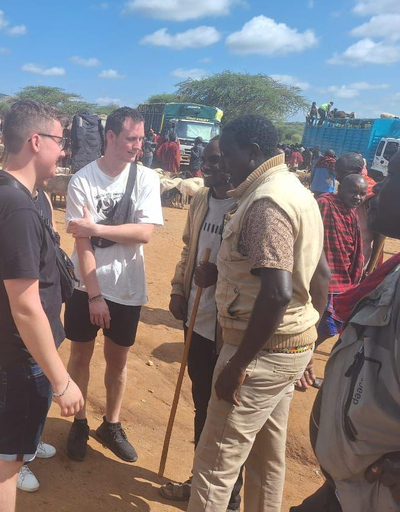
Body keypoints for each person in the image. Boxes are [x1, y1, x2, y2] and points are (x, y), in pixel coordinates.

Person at [187, 114, 328, 512]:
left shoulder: (266, 202)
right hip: (288, 347)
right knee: (267, 458)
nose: (221, 163)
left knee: (215, 465)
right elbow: (320, 277)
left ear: (252, 152)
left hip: (258, 353)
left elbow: (278, 292)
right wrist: (307, 343)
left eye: (227, 153)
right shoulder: (295, 191)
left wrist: (238, 364)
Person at [0, 99, 83, 512]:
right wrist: (61, 380)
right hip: (19, 357)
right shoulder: (15, 207)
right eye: (59, 141)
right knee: (7, 459)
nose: (63, 150)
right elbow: (27, 306)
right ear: (36, 141)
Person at [292, 152, 400, 512]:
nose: (376, 189)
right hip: (347, 483)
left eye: (390, 179)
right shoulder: (390, 278)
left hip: (374, 491)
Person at [63, 107, 163, 463]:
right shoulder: (83, 181)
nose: (138, 145)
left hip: (128, 288)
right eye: (130, 139)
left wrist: (98, 228)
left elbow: (145, 232)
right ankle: (78, 422)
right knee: (80, 355)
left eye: (140, 138)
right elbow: (81, 244)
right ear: (110, 137)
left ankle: (112, 423)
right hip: (85, 287)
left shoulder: (147, 179)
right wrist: (94, 296)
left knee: (118, 362)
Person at [159, 137, 244, 508]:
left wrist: (219, 275)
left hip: (230, 328)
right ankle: (201, 480)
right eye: (203, 160)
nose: (204, 167)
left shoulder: (246, 206)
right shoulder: (199, 200)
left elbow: (256, 275)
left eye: (212, 161)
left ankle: (229, 495)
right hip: (196, 319)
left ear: (230, 162)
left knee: (226, 414)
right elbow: (186, 247)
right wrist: (180, 288)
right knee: (202, 403)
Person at [315, 174, 368, 345]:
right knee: (318, 324)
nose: (357, 197)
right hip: (320, 277)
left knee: (330, 327)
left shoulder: (352, 215)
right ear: (340, 189)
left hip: (342, 280)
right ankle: (304, 357)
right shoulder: (324, 204)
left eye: (362, 194)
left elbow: (355, 248)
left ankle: (307, 354)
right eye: (353, 192)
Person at [335, 152, 383, 272]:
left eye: (342, 173)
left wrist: (370, 270)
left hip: (360, 261)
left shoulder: (373, 197)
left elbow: (380, 236)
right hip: (339, 257)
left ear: (357, 171)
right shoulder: (344, 190)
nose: (337, 177)